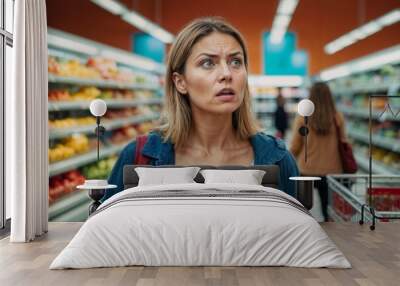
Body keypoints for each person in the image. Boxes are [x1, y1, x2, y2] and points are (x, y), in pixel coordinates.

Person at [103, 17, 299, 201]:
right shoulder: (138, 156)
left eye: (236, 62)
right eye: (208, 63)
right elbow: (104, 232)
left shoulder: (278, 158)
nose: (226, 73)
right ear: (180, 82)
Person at [290, 82, 347, 221]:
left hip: (306, 170)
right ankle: (331, 238)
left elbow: (295, 146)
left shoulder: (303, 117)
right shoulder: (337, 117)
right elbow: (344, 142)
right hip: (332, 171)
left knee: (302, 211)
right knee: (330, 213)